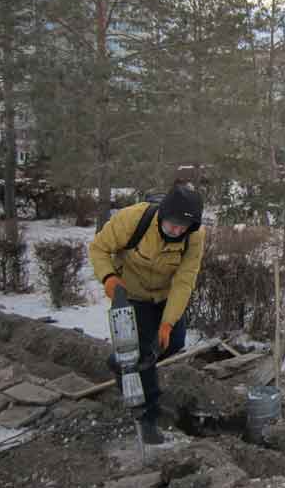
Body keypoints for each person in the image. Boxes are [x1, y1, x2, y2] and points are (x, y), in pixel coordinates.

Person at [89, 182, 205, 443]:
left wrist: (167, 323)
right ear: (162, 215)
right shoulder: (133, 219)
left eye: (182, 228)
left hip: (164, 296)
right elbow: (98, 248)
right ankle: (147, 415)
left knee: (173, 342)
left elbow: (184, 280)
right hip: (130, 295)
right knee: (142, 355)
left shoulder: (194, 238)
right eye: (172, 224)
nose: (176, 231)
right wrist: (108, 279)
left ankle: (121, 361)